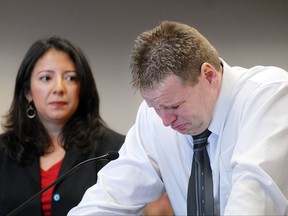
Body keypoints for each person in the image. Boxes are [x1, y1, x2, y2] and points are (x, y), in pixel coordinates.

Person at [68, 20, 288, 215]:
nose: (165, 121)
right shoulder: (154, 117)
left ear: (209, 76)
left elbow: (254, 198)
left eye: (174, 106)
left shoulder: (268, 95)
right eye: (155, 108)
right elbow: (111, 195)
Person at [0, 36, 125, 216]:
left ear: (82, 88)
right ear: (27, 91)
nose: (59, 88)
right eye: (46, 78)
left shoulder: (114, 150)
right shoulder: (3, 151)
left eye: (70, 78)